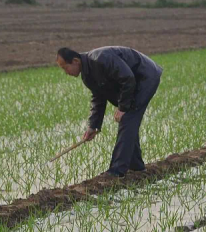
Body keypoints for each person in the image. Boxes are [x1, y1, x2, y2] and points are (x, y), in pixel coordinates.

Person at [56, 46, 163, 177]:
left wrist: (122, 108)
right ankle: (136, 166)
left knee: (128, 119)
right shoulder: (87, 76)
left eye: (65, 67)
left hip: (145, 77)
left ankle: (116, 171)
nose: (66, 72)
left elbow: (128, 78)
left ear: (75, 61)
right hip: (133, 82)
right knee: (128, 122)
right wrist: (93, 126)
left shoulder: (101, 59)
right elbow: (99, 98)